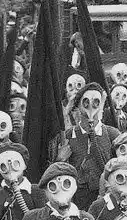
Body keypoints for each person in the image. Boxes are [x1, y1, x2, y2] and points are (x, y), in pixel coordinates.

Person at [51, 83, 121, 212]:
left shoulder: (112, 134)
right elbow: (53, 173)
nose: (91, 106)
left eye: (96, 102)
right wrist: (60, 159)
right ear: (78, 105)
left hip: (104, 202)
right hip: (75, 201)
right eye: (86, 101)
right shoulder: (67, 136)